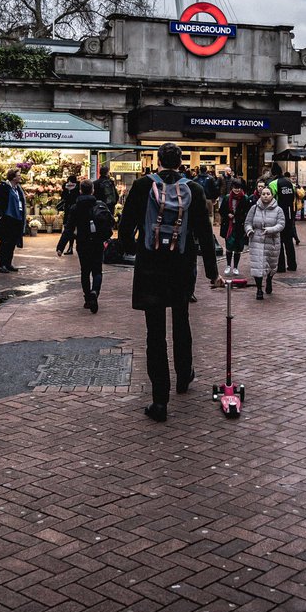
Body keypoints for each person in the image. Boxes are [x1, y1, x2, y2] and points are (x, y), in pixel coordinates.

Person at [118, 142, 223, 422]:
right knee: (181, 321)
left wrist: (130, 249)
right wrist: (212, 273)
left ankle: (160, 401)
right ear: (180, 162)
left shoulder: (142, 186)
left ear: (158, 161)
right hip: (181, 267)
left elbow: (125, 228)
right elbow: (205, 236)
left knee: (155, 333)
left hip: (150, 267)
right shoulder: (195, 189)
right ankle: (184, 375)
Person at [57, 180, 110, 313]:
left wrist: (60, 246)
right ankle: (95, 292)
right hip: (97, 242)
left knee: (85, 271)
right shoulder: (99, 205)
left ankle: (87, 298)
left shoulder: (75, 208)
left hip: (82, 243)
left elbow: (69, 229)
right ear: (92, 190)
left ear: (80, 190)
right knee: (97, 271)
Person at [244, 184, 285, 299]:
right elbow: (247, 222)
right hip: (256, 240)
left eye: (268, 194)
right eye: (263, 194)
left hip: (271, 241)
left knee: (271, 265)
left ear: (272, 195)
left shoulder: (278, 210)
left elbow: (281, 224)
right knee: (258, 266)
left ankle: (269, 280)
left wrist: (270, 230)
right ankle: (258, 289)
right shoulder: (254, 208)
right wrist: (249, 230)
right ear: (260, 195)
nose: (266, 196)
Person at [0, 167, 28, 273]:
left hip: (17, 218)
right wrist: (0, 215)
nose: (20, 177)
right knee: (5, 242)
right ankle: (2, 264)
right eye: (18, 175)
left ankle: (8, 263)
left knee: (12, 242)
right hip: (7, 218)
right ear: (13, 177)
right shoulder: (5, 187)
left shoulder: (18, 188)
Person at [266, 164, 299, 271]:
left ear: (273, 173)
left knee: (278, 241)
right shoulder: (290, 183)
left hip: (278, 215)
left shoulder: (273, 184)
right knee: (288, 241)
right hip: (289, 214)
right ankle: (292, 265)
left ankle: (280, 267)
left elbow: (269, 200)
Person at [219, 179, 250, 275]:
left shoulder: (244, 198)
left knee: (238, 247)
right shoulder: (227, 198)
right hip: (229, 226)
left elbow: (247, 212)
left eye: (238, 188)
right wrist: (227, 214)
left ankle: (235, 267)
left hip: (239, 226)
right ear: (232, 188)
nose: (237, 190)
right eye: (235, 188)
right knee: (229, 245)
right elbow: (221, 210)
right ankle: (228, 265)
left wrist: (238, 217)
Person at [57, 175, 80, 255]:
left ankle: (70, 247)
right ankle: (71, 247)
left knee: (69, 229)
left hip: (69, 211)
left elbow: (63, 198)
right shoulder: (77, 188)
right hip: (75, 211)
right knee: (73, 229)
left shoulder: (67, 188)